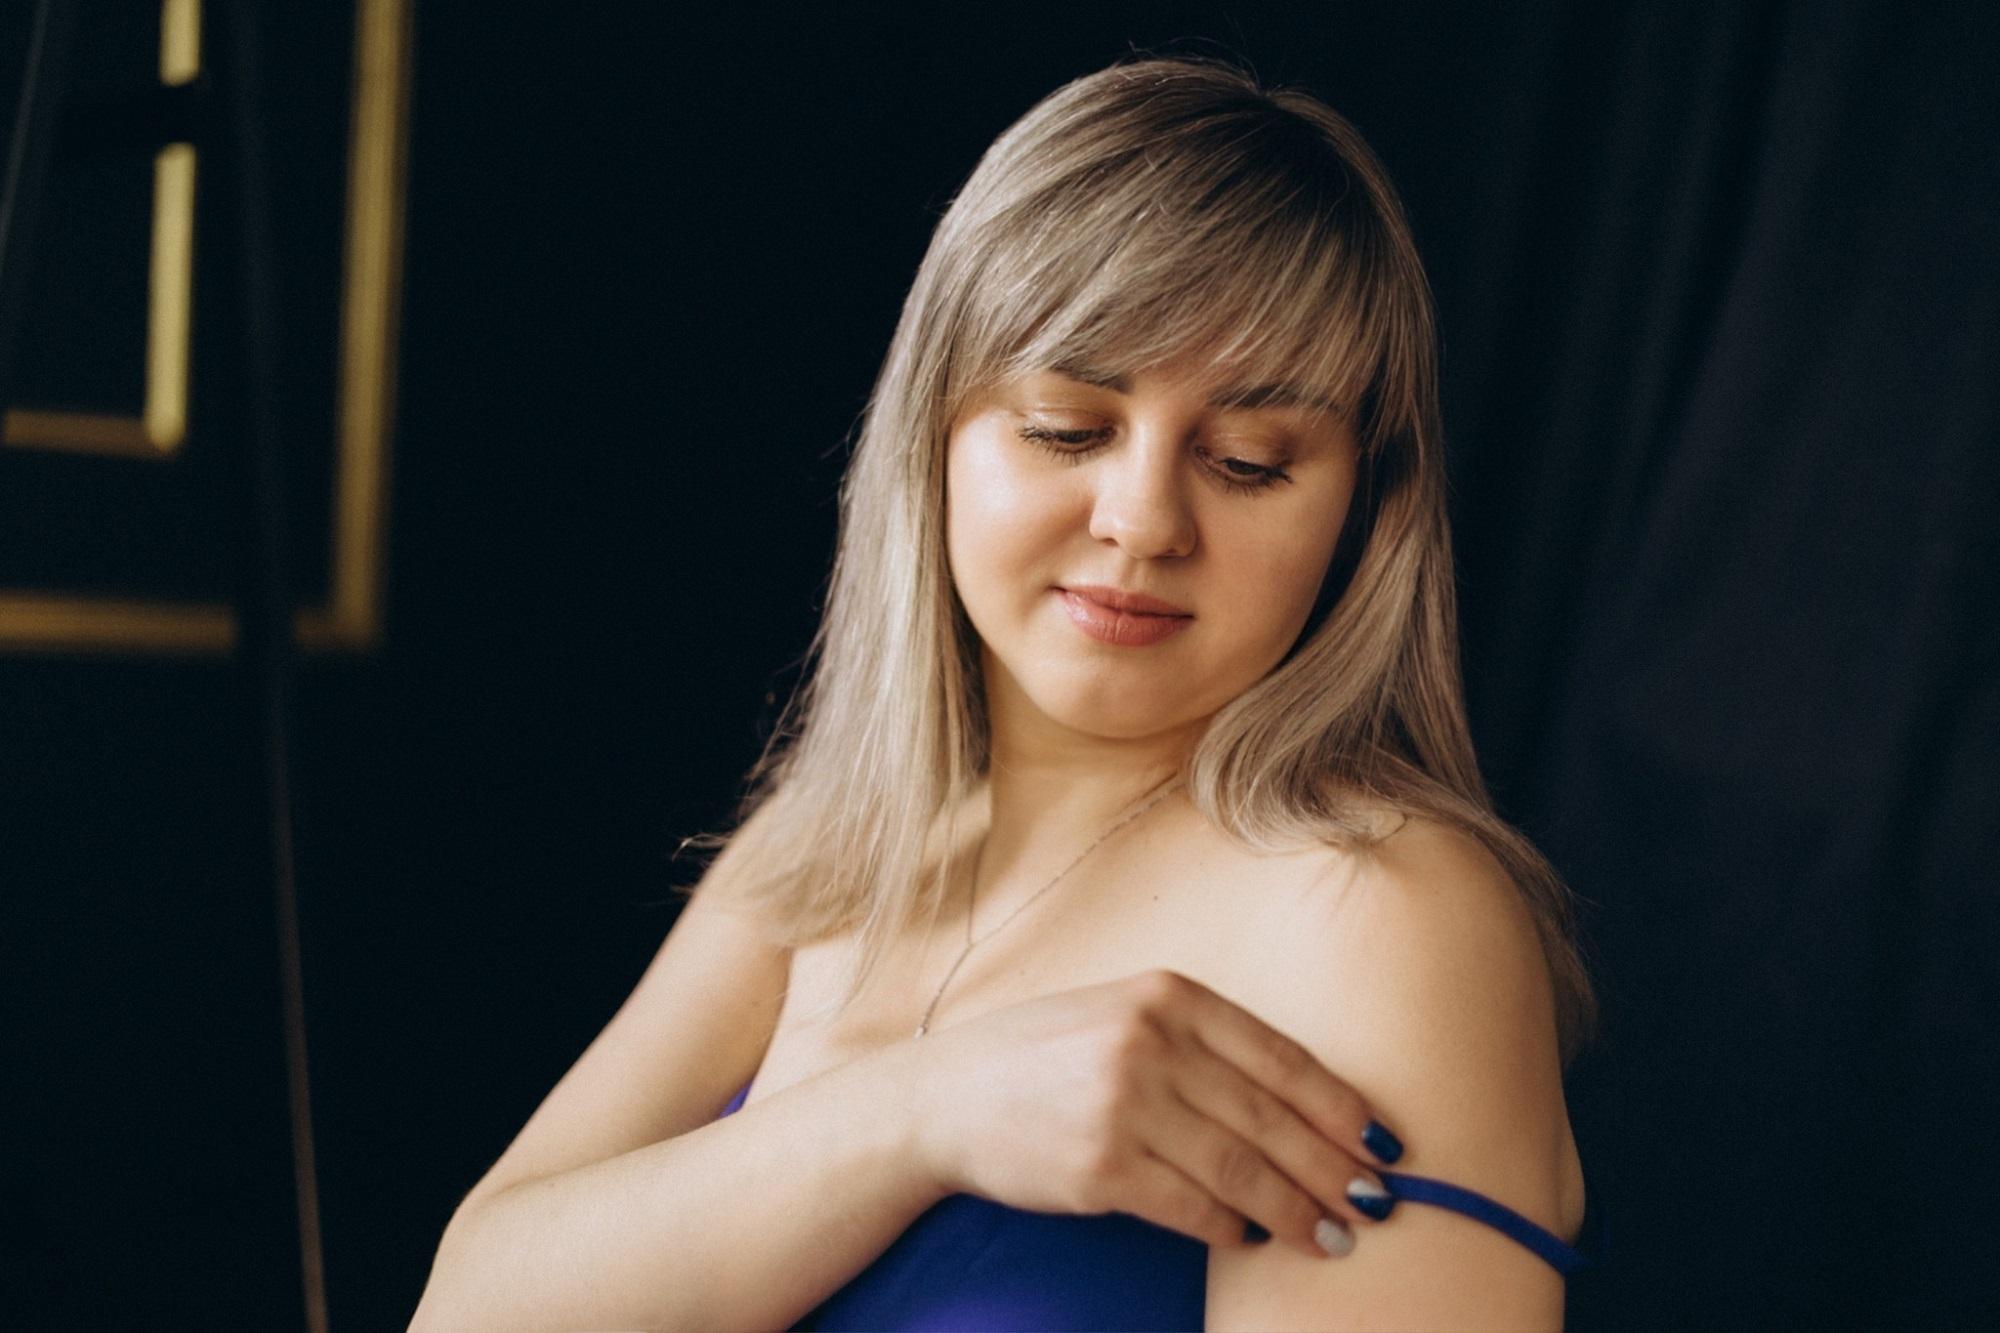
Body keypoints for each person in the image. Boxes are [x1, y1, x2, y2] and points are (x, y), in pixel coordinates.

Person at [412, 53, 1598, 1331]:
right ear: (931, 436)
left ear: (1362, 510)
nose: (1141, 521)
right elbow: (466, 1309)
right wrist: (926, 1109)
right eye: (1065, 428)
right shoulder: (815, 861)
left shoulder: (1380, 915)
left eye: (1249, 459)